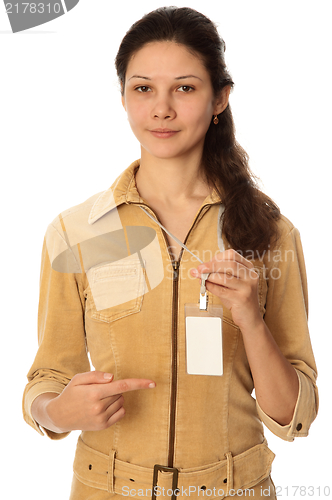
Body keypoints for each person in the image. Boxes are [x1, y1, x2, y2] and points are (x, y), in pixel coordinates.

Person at [22, 7, 318, 500]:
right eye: (143, 88)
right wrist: (55, 412)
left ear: (219, 97)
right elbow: (47, 375)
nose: (161, 109)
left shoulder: (269, 233)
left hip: (233, 490)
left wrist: (251, 319)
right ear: (122, 97)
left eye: (184, 88)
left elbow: (296, 415)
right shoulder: (75, 232)